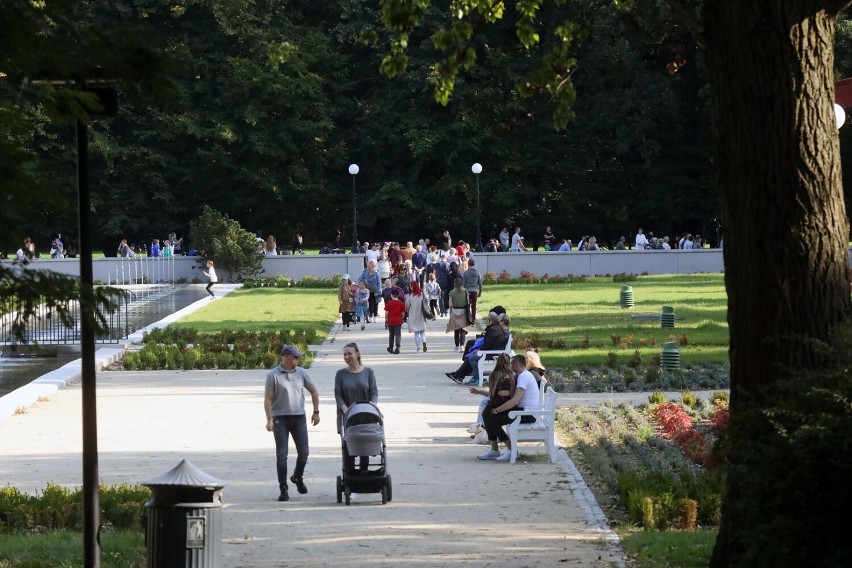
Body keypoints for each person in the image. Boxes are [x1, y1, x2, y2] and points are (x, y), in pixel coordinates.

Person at [264, 344, 320, 501]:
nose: (298, 359)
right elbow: (268, 398)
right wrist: (269, 419)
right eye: (295, 357)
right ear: (286, 357)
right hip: (280, 419)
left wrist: (316, 412)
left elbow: (314, 391)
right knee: (282, 454)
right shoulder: (273, 375)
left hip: (299, 417)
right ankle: (283, 488)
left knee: (304, 452)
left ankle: (297, 476)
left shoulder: (301, 373)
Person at [477, 354, 539, 461]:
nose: (509, 366)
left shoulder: (524, 376)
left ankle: (512, 450)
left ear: (516, 364)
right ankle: (494, 451)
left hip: (527, 414)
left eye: (511, 364)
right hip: (522, 411)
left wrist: (496, 410)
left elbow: (514, 400)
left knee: (492, 420)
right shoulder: (522, 375)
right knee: (488, 416)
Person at [334, 342, 378, 470]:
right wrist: (344, 408)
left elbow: (374, 392)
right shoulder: (340, 374)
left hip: (365, 414)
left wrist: (372, 406)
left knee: (364, 446)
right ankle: (350, 477)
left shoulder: (368, 372)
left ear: (357, 354)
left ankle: (364, 474)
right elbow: (338, 394)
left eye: (350, 354)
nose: (347, 357)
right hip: (348, 416)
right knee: (349, 448)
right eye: (345, 354)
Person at [445, 311, 507, 384]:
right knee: (470, 356)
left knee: (472, 358)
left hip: (492, 354)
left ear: (489, 320)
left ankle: (476, 377)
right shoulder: (496, 327)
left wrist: (479, 350)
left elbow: (487, 344)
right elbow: (488, 343)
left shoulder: (493, 329)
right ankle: (459, 376)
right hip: (492, 351)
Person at [445, 278, 469, 352]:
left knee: (456, 330)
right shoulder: (465, 291)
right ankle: (462, 346)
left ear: (454, 284)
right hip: (463, 311)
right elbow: (468, 302)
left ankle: (456, 346)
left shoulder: (452, 292)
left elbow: (450, 304)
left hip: (455, 311)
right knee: (463, 329)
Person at [405, 281, 428, 352]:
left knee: (416, 333)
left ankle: (418, 348)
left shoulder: (410, 296)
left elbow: (407, 305)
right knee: (423, 331)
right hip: (421, 314)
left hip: (413, 315)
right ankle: (424, 340)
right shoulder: (421, 294)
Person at [461, 258, 483, 323]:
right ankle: (473, 320)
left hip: (467, 291)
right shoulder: (477, 273)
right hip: (475, 290)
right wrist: (480, 291)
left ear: (468, 264)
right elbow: (480, 283)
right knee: (474, 305)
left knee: (467, 305)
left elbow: (463, 283)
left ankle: (468, 319)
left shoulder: (465, 273)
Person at [384, 289, 405, 354]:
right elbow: (403, 313)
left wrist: (387, 319)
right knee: (398, 334)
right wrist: (402, 319)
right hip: (398, 321)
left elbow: (386, 313)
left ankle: (390, 347)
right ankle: (397, 347)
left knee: (391, 334)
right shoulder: (401, 303)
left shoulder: (389, 303)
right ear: (398, 295)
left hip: (391, 320)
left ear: (391, 295)